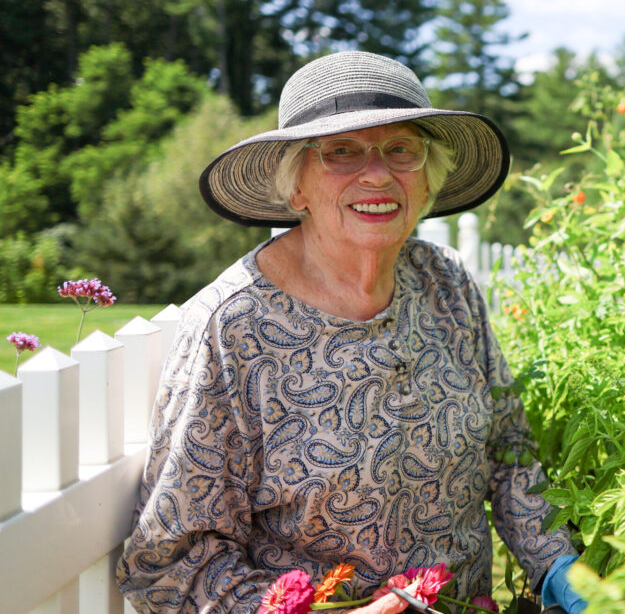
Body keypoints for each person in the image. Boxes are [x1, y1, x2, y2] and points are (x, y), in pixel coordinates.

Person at [117, 52, 586, 614]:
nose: (378, 174)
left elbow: (508, 457)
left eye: (400, 149)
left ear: (427, 174)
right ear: (297, 187)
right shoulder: (234, 327)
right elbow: (174, 562)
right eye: (342, 151)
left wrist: (559, 565)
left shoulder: (447, 283)